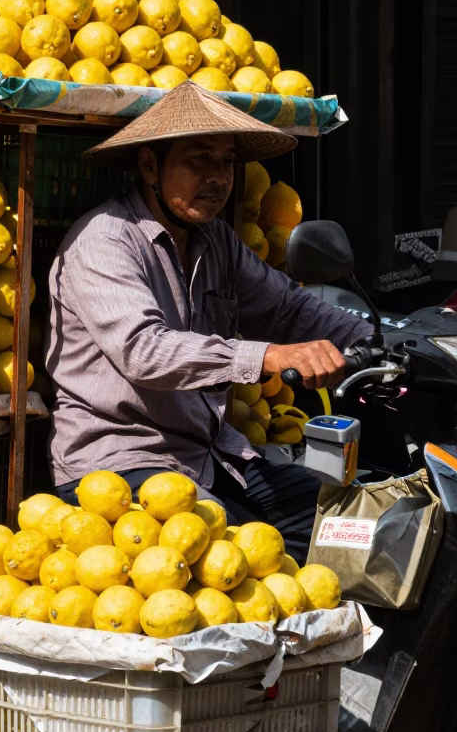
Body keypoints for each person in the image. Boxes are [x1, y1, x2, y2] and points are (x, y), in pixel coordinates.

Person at [44, 83, 372, 559]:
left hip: (213, 456)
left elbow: (288, 308)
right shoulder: (105, 241)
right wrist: (269, 356)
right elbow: (145, 351)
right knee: (234, 561)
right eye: (199, 160)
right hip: (119, 466)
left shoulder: (215, 240)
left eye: (226, 163)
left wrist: (382, 340)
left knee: (350, 527)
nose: (218, 178)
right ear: (150, 166)